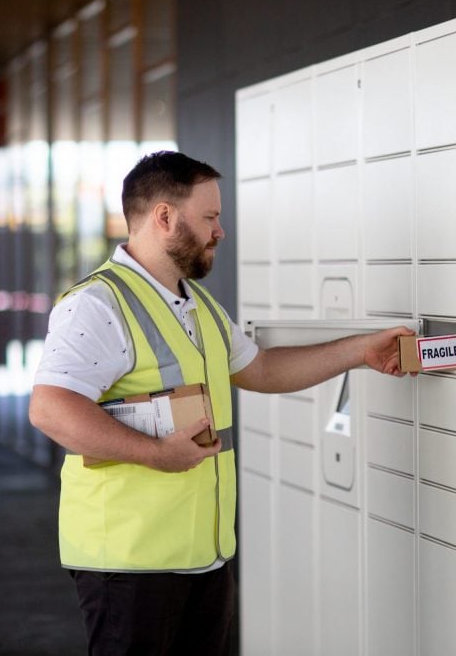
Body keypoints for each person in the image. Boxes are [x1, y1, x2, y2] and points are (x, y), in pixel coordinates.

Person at [28, 151, 413, 656]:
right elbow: (50, 408)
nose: (220, 231)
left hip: (203, 559)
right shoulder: (98, 305)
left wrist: (360, 351)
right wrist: (155, 453)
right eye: (210, 217)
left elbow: (263, 370)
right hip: (127, 564)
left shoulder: (200, 305)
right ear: (165, 217)